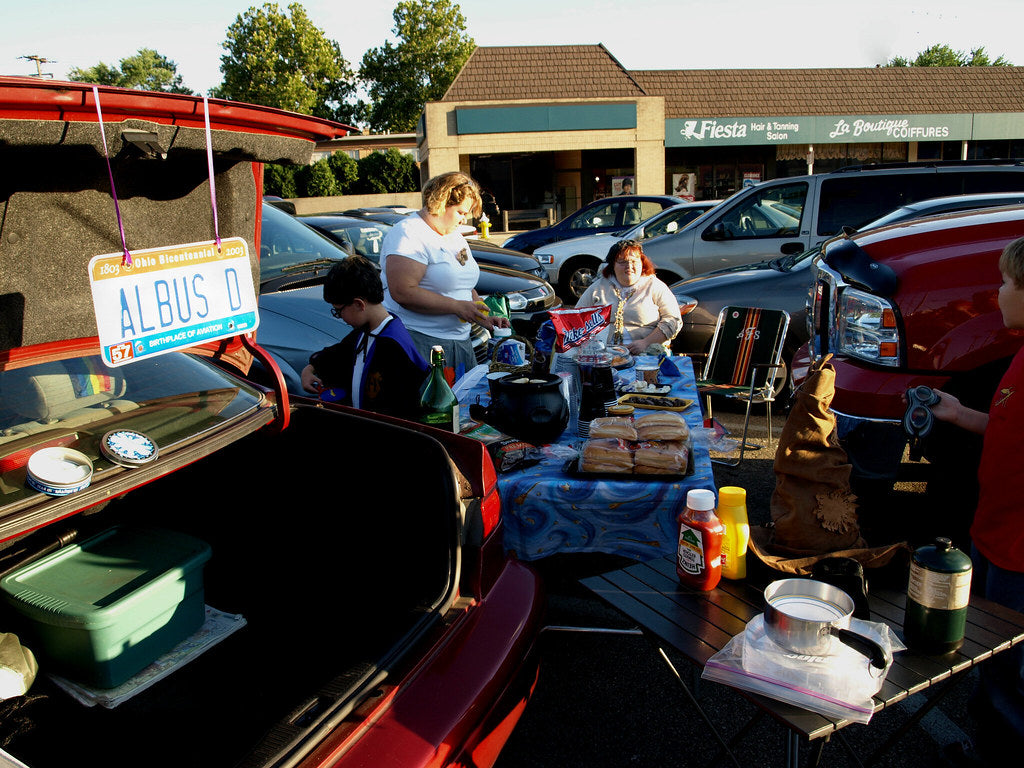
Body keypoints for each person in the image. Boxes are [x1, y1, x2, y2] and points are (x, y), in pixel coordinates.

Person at [929, 235, 1024, 750]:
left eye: (1007, 281)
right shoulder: (1021, 354)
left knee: (1012, 669)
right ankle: (987, 736)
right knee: (991, 655)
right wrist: (959, 413)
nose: (998, 291)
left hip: (1019, 554)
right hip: (993, 534)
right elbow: (1009, 427)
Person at [380, 171, 509, 380]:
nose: (464, 219)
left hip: (460, 342)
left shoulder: (453, 235)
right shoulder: (409, 233)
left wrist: (484, 317)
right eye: (460, 212)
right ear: (440, 203)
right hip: (422, 343)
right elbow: (403, 292)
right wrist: (457, 307)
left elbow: (463, 286)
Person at [301, 256, 428, 420]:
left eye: (339, 312)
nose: (340, 317)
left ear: (359, 304)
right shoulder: (364, 332)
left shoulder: (393, 347)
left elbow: (402, 411)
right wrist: (310, 368)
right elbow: (336, 354)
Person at [576, 239, 682, 356]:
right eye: (622, 262)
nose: (629, 266)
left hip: (646, 353)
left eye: (634, 261)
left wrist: (645, 343)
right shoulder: (598, 287)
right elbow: (576, 318)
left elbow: (673, 320)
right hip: (603, 355)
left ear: (642, 263)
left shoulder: (655, 286)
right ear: (612, 265)